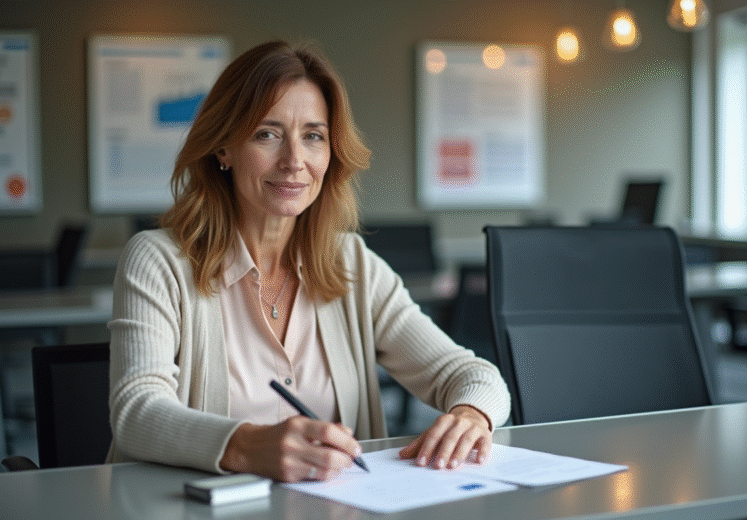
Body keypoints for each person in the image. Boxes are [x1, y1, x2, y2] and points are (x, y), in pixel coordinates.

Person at [107, 40, 510, 483]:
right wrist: (245, 446)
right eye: (267, 134)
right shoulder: (158, 260)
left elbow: (473, 374)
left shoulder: (352, 264)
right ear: (223, 148)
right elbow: (137, 412)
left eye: (313, 136)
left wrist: (471, 414)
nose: (294, 161)